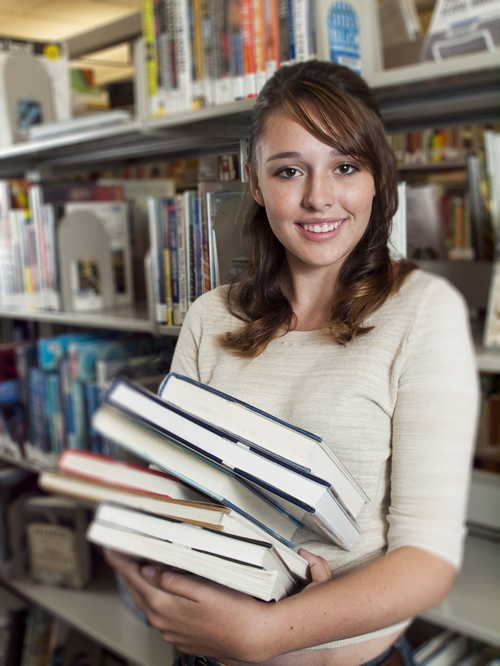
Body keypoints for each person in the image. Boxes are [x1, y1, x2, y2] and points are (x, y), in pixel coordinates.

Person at [104, 60, 479, 666]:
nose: (318, 197)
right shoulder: (208, 316)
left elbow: (428, 561)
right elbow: (179, 495)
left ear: (377, 178)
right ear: (255, 182)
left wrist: (266, 634)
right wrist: (143, 558)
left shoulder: (422, 311)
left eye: (345, 166)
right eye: (288, 171)